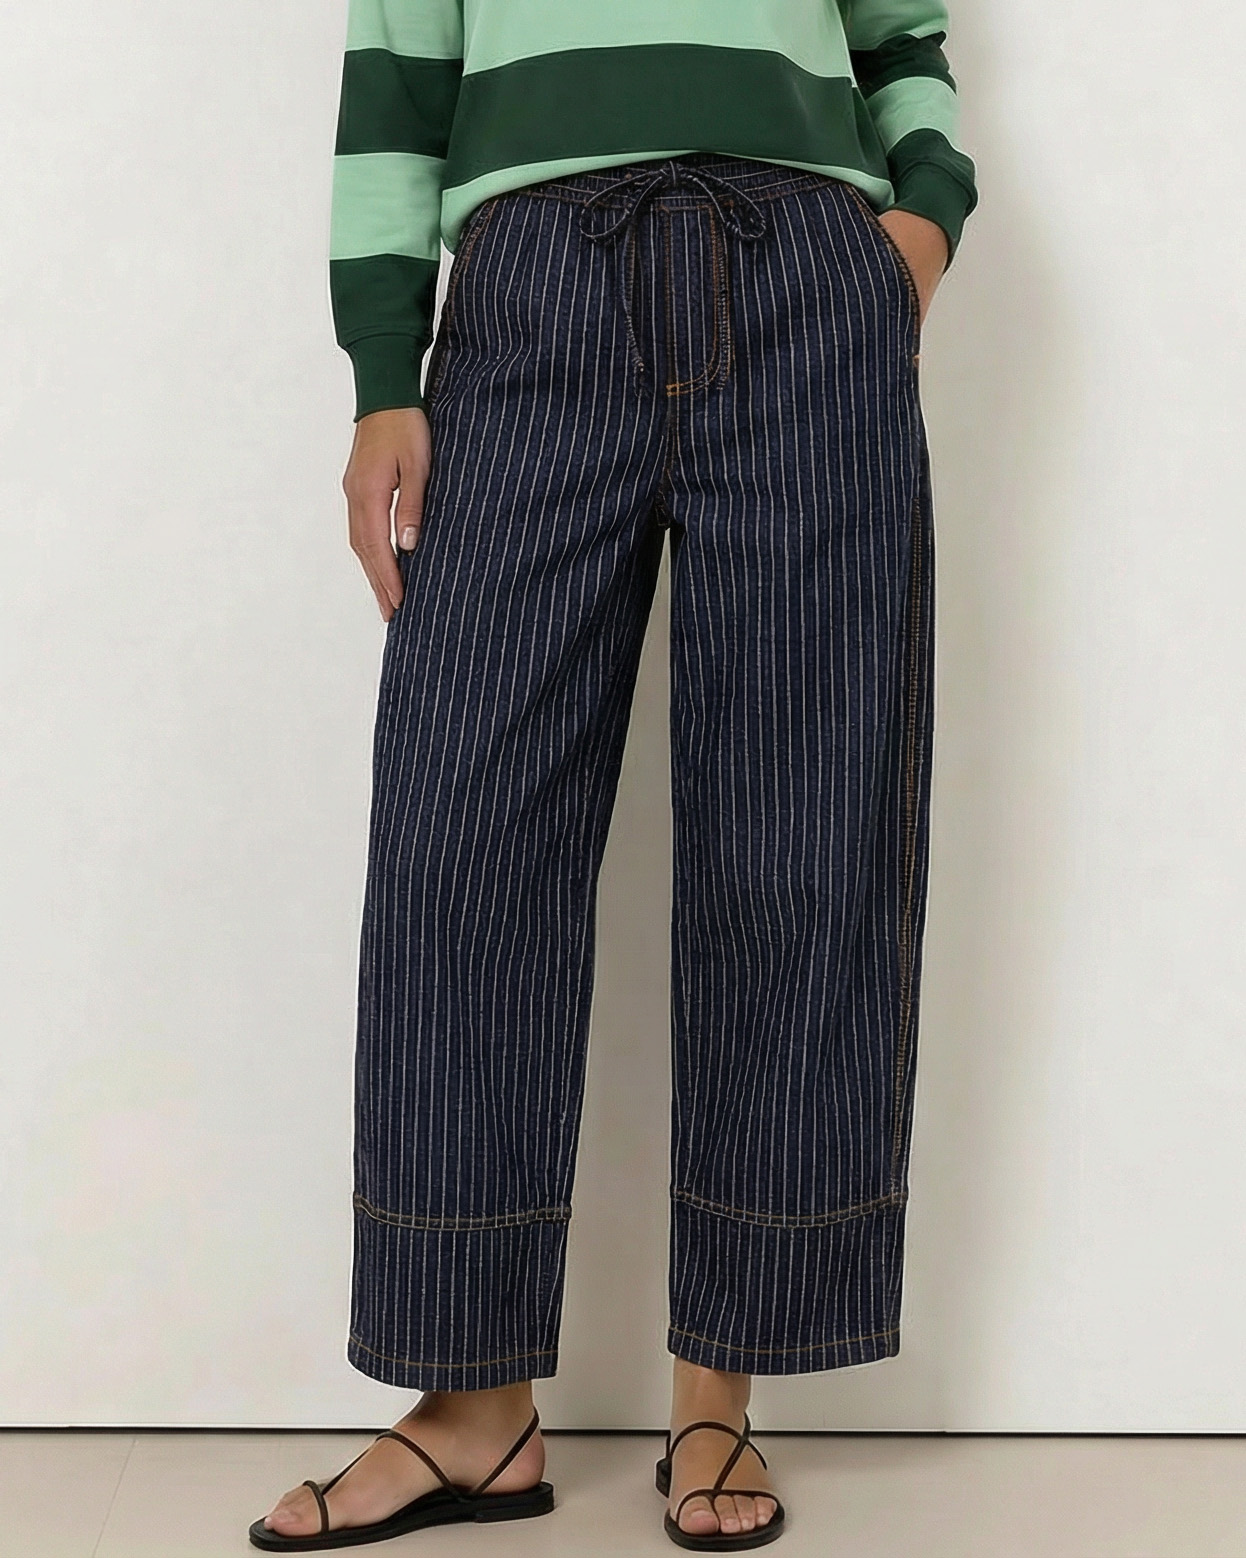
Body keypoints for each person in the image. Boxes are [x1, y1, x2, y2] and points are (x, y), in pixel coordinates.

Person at [250, 0, 977, 1550]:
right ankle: (474, 1410)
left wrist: (919, 226)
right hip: (529, 294)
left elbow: (902, 37)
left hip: (807, 279)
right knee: (461, 839)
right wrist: (382, 374)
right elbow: (396, 84)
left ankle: (718, 1391)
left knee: (795, 838)